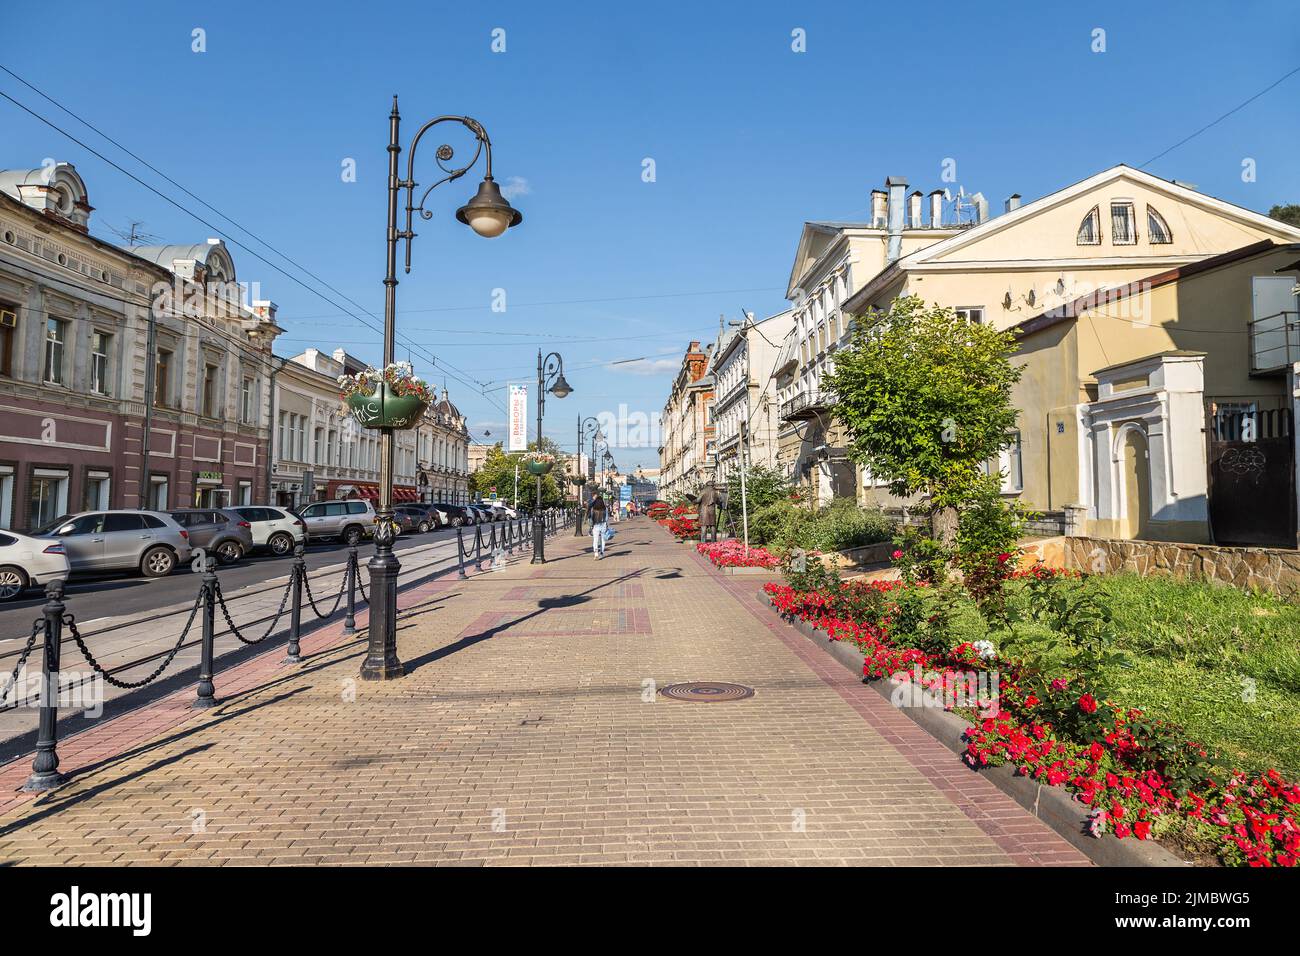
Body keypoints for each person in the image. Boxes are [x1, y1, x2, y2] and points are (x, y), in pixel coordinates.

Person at [588, 492, 609, 559]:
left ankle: (596, 553)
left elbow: (591, 518)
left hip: (596, 525)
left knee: (595, 540)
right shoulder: (605, 509)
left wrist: (591, 526)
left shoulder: (593, 509)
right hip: (603, 524)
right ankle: (602, 553)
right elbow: (606, 518)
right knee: (603, 540)